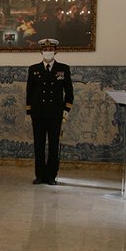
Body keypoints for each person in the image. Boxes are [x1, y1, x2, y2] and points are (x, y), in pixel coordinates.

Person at [26, 38, 73, 186]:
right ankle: (39, 175)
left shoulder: (63, 69)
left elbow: (69, 92)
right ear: (41, 51)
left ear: (55, 51)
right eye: (45, 50)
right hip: (38, 114)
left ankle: (51, 175)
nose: (48, 52)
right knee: (38, 145)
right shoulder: (33, 69)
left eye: (51, 50)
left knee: (54, 145)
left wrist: (66, 109)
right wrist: (29, 110)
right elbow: (30, 91)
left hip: (55, 114)